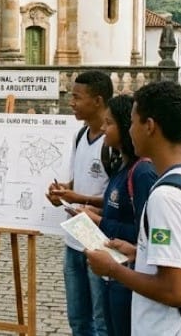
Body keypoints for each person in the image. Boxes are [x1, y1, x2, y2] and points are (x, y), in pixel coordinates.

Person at [85, 81, 181, 336]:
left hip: (164, 328)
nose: (129, 130)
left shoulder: (166, 197)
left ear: (150, 126)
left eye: (132, 122)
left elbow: (173, 291)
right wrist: (136, 253)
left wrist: (112, 269)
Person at [79, 94, 157, 336]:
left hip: (129, 276)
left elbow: (143, 232)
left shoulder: (142, 172)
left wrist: (100, 221)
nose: (103, 128)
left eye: (109, 123)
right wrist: (96, 211)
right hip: (113, 274)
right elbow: (119, 210)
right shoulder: (121, 165)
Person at [45, 71, 114, 336]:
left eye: (77, 97)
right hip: (75, 237)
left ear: (98, 101)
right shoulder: (80, 135)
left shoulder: (113, 142)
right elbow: (77, 183)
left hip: (100, 239)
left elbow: (116, 199)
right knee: (78, 319)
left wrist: (80, 199)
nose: (71, 102)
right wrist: (62, 192)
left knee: (100, 320)